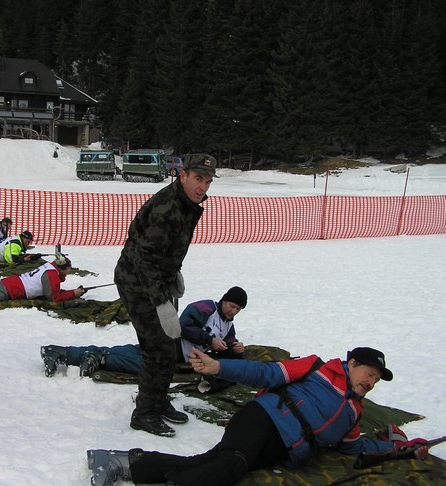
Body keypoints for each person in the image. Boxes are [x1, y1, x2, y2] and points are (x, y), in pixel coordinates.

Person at [86, 347, 430, 486]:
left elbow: (354, 449)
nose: (370, 382)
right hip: (263, 418)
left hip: (284, 448)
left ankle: (121, 462)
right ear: (351, 364)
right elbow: (267, 374)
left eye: (375, 380)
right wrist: (219, 366)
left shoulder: (354, 413)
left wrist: (401, 447)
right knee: (232, 464)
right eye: (368, 373)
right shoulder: (317, 368)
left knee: (207, 463)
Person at [114, 153, 218, 437]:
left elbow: (167, 249)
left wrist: (173, 274)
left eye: (208, 182)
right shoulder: (167, 208)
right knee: (157, 347)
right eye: (198, 179)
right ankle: (145, 412)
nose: (203, 187)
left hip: (157, 278)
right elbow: (144, 259)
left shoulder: (187, 204)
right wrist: (161, 302)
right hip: (137, 282)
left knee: (169, 346)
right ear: (182, 175)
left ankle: (158, 400)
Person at [41, 286, 248, 383]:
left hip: (178, 356)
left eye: (238, 309)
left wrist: (235, 348)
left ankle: (66, 353)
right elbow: (182, 327)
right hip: (169, 343)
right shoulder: (204, 308)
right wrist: (209, 340)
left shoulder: (228, 324)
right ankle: (97, 357)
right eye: (232, 306)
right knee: (143, 365)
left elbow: (228, 345)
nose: (233, 311)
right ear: (223, 300)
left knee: (133, 355)